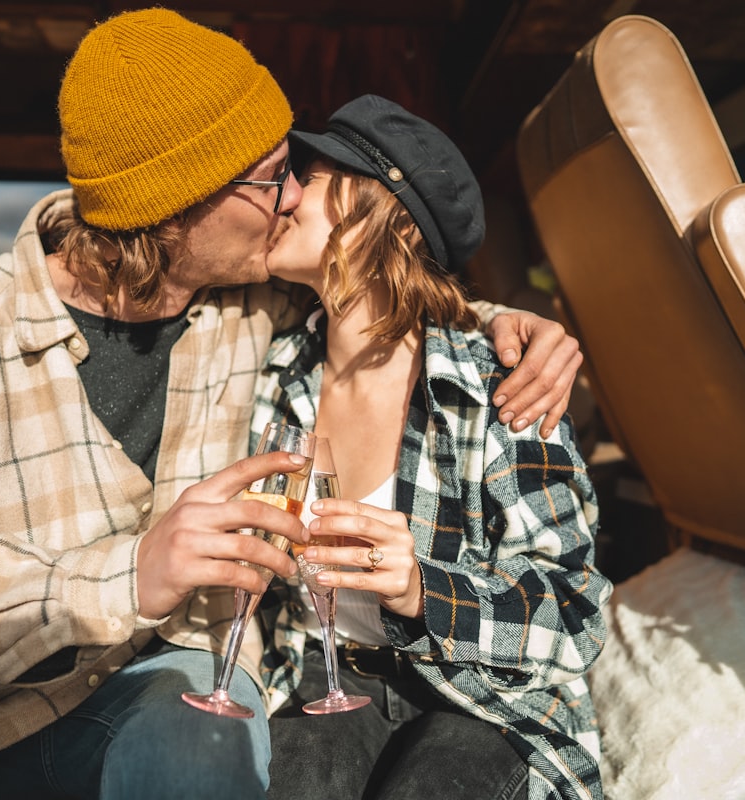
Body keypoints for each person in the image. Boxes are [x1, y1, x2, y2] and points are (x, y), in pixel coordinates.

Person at [0, 10, 583, 800]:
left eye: (297, 175)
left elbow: (386, 291)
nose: (288, 197)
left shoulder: (251, 305)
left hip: (179, 675)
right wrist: (122, 579)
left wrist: (506, 326)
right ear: (174, 208)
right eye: (272, 176)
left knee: (200, 755)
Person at [253, 95, 612, 800]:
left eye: (310, 174)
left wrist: (425, 592)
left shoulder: (501, 384)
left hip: (486, 699)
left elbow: (574, 616)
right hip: (328, 677)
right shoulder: (273, 374)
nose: (285, 193)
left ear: (371, 206)